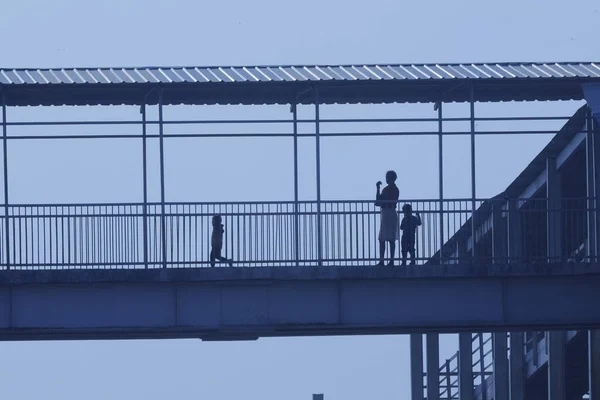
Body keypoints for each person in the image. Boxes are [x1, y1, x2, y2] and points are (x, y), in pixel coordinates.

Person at [375, 170, 400, 266]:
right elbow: (378, 202)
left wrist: (378, 190)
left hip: (388, 213)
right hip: (386, 213)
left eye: (388, 177)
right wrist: (378, 189)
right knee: (385, 238)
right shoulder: (389, 189)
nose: (386, 179)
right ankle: (385, 260)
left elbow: (379, 202)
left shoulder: (392, 189)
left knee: (388, 238)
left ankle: (388, 260)